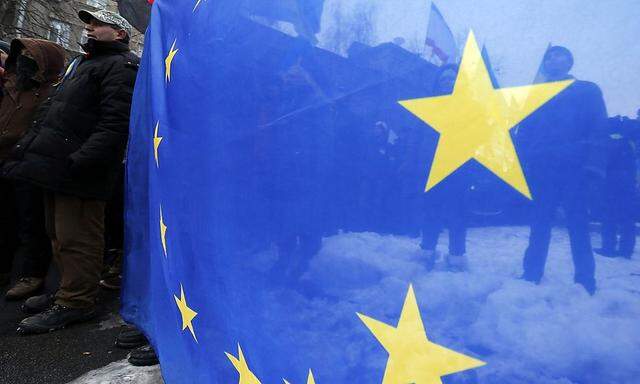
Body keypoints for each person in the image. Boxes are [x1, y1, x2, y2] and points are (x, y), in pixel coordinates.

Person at [2, 9, 139, 334]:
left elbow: (115, 123)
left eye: (98, 24)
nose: (89, 28)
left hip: (79, 173)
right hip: (56, 169)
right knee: (58, 236)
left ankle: (77, 301)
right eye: (88, 23)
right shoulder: (85, 64)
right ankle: (63, 292)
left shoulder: (121, 66)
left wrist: (80, 160)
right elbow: (51, 114)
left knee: (78, 238)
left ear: (119, 34)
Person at [518, 46, 608, 295]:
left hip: (575, 169)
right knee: (539, 223)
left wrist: (593, 166)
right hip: (542, 169)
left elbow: (599, 128)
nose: (552, 59)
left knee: (578, 224)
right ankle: (531, 273)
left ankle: (586, 280)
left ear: (570, 62)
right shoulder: (535, 95)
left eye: (559, 55)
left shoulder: (587, 90)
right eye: (548, 56)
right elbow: (524, 132)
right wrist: (523, 163)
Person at [0, 39, 65, 297]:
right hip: (4, 160)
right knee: (4, 219)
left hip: (29, 163)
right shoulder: (13, 86)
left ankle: (32, 274)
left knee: (30, 222)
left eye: (30, 55)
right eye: (22, 54)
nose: (25, 59)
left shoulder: (53, 91)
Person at [416, 64, 471, 271]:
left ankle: (456, 255)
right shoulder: (428, 107)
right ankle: (426, 251)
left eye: (452, 78)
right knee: (431, 211)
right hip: (431, 169)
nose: (447, 81)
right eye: (444, 78)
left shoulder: (469, 108)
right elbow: (419, 137)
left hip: (459, 170)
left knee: (458, 214)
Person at [594, 115, 640, 258]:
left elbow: (603, 163)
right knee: (628, 217)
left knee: (609, 216)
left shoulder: (607, 142)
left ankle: (608, 247)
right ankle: (626, 250)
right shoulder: (629, 143)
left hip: (610, 184)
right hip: (628, 184)